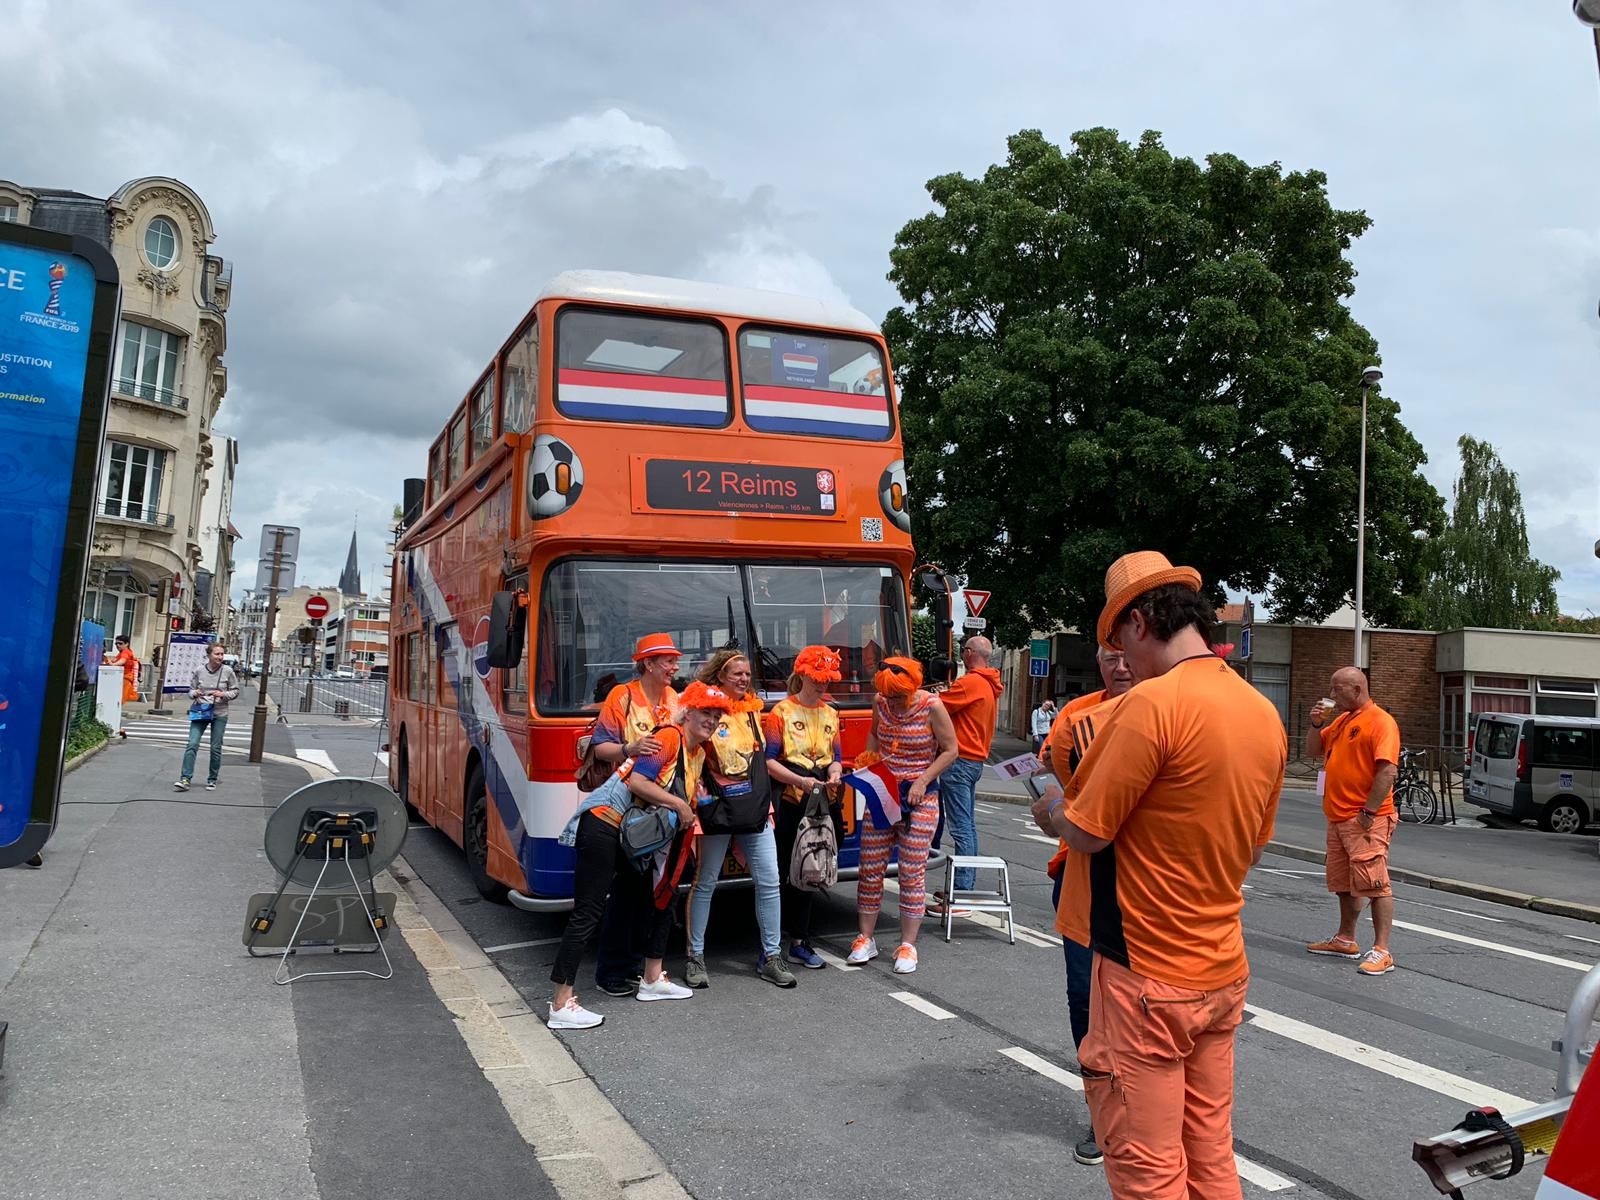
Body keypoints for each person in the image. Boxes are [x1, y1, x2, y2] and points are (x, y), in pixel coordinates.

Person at [1033, 551, 1286, 1200]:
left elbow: (1088, 829)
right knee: (1209, 1153)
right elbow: (1252, 849)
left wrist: (1053, 810)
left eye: (1120, 644)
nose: (1121, 663)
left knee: (1147, 1168)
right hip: (1221, 969)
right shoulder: (1262, 713)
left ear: (1140, 623)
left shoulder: (1151, 707)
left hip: (1144, 972)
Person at [547, 680, 736, 1030]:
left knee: (659, 897)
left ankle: (651, 979)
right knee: (587, 912)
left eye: (716, 716)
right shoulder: (668, 738)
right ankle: (561, 1003)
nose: (711, 721)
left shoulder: (696, 753)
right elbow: (637, 782)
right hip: (603, 824)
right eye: (705, 713)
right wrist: (680, 804)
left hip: (631, 836)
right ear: (688, 712)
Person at [1030, 644, 1135, 1168]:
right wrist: (1052, 806)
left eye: (1126, 655)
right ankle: (1102, 1111)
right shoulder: (1075, 714)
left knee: (1143, 1002)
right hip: (1079, 872)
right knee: (1083, 996)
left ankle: (1147, 1110)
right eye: (1110, 657)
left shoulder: (1169, 709)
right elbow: (1043, 769)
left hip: (1144, 884)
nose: (1120, 666)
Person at [683, 649, 795, 990]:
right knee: (706, 881)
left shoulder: (752, 713)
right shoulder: (702, 708)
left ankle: (772, 957)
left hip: (753, 808)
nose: (745, 679)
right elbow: (690, 754)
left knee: (770, 880)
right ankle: (695, 957)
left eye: (747, 674)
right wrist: (701, 798)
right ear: (720, 677)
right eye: (737, 674)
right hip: (716, 806)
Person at [847, 655, 959, 974]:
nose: (892, 703)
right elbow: (873, 732)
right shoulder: (879, 702)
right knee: (870, 868)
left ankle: (908, 945)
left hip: (919, 797)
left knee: (911, 872)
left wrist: (923, 780)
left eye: (898, 697)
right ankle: (864, 938)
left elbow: (951, 749)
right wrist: (868, 759)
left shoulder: (932, 706)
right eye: (888, 697)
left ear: (913, 687)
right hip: (883, 793)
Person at [587, 633, 682, 996]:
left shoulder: (676, 700)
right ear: (647, 664)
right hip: (626, 808)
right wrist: (631, 746)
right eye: (668, 661)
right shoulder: (621, 697)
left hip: (662, 808)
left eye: (674, 661)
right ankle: (612, 972)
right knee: (627, 890)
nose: (675, 667)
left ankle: (642, 968)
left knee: (652, 891)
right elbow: (600, 748)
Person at [1302, 665, 1401, 977]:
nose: (1332, 695)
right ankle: (1346, 939)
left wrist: (1369, 813)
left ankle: (1382, 950)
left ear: (1357, 689)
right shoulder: (1344, 720)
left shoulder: (1381, 722)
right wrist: (1316, 723)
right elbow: (1313, 750)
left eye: (1337, 689)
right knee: (1344, 883)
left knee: (1375, 883)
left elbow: (1387, 771)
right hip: (1339, 816)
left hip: (1365, 818)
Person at [764, 645, 844, 969]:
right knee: (783, 870)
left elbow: (836, 757)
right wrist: (799, 782)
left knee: (812, 868)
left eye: (826, 679)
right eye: (816, 679)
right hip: (790, 797)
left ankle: (800, 940)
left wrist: (835, 773)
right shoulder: (781, 712)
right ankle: (771, 944)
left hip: (823, 797)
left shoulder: (831, 713)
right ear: (802, 676)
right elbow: (769, 760)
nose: (822, 685)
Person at [929, 635, 1003, 914]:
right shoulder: (988, 683)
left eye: (963, 650)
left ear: (970, 653)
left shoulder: (970, 682)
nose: (961, 653)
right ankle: (964, 889)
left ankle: (961, 895)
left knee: (961, 830)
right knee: (968, 827)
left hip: (959, 762)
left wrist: (932, 694)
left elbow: (937, 706)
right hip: (974, 762)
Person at [174, 643, 239, 792]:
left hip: (219, 712)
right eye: (217, 654)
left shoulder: (228, 671)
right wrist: (194, 693)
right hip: (201, 711)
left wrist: (223, 694)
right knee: (192, 743)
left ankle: (212, 778)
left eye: (222, 654)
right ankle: (185, 778)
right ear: (209, 655)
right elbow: (190, 690)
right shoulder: (199, 671)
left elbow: (235, 691)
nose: (220, 657)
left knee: (215, 747)